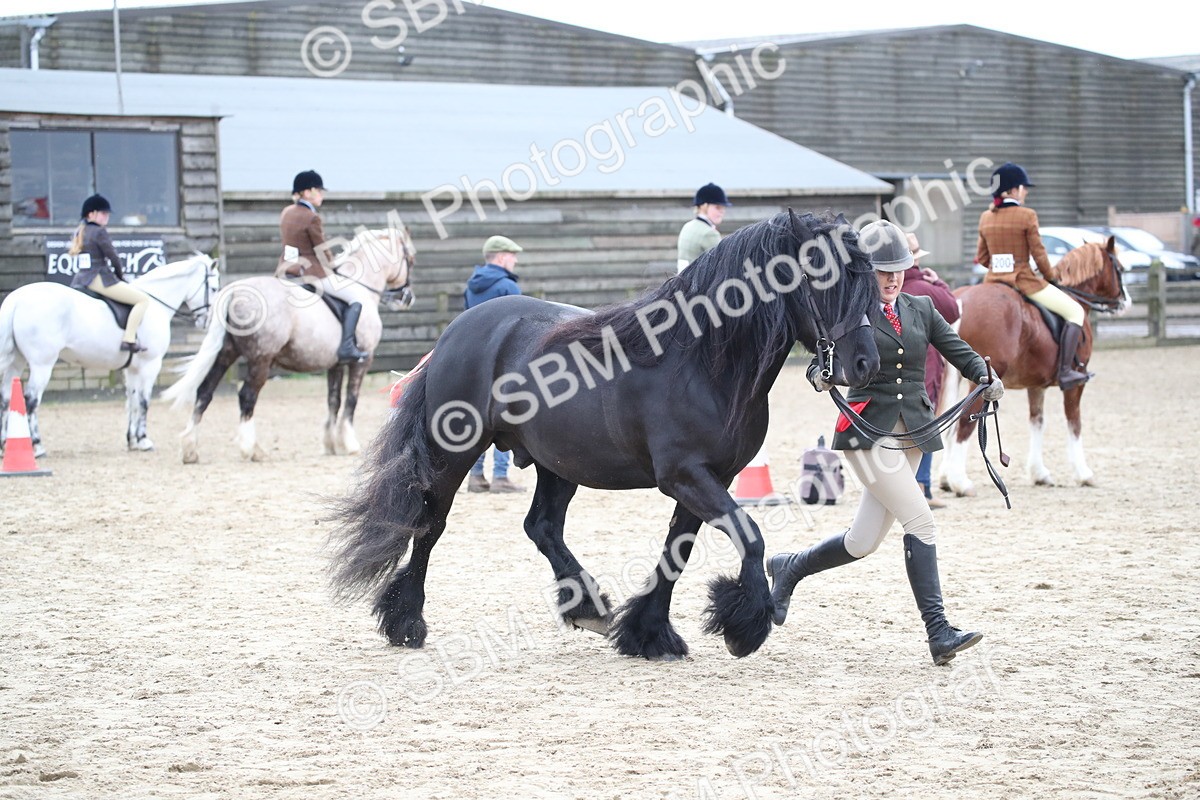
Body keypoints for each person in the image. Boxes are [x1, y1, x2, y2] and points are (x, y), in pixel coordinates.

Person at [766, 220, 1004, 666]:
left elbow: (957, 349)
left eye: (899, 269)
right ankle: (939, 632)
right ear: (865, 272)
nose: (893, 279)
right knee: (922, 522)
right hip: (867, 433)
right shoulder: (851, 313)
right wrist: (823, 374)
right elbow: (828, 365)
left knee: (863, 541)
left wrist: (986, 377)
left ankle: (790, 567)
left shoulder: (921, 308)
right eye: (883, 271)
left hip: (913, 431)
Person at [976, 162, 1092, 389]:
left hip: (993, 280)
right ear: (1012, 190)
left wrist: (1001, 266)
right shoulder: (1027, 215)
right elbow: (1039, 254)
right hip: (1025, 282)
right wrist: (1050, 276)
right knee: (1075, 311)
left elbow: (982, 257)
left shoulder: (986, 217)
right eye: (1022, 187)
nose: (1025, 191)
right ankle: (1066, 371)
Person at [276, 170, 370, 363]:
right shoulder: (312, 217)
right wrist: (333, 264)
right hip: (312, 273)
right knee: (355, 299)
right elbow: (321, 249)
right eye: (319, 190)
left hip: (287, 270)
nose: (322, 195)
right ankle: (347, 347)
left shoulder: (286, 212)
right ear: (308, 192)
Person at [463, 235, 526, 494]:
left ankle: (476, 476)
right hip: (503, 362)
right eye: (512, 256)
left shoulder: (471, 285)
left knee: (478, 418)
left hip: (473, 361)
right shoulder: (507, 288)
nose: (515, 260)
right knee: (505, 417)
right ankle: (500, 477)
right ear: (501, 257)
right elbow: (521, 327)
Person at [900, 232, 957, 510]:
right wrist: (940, 282)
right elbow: (953, 309)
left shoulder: (879, 286)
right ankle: (922, 487)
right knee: (926, 424)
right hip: (925, 367)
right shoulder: (926, 288)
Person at [68, 194, 151, 353]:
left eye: (107, 214)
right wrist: (120, 278)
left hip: (81, 278)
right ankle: (129, 339)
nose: (106, 217)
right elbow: (113, 257)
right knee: (142, 300)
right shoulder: (99, 232)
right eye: (103, 213)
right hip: (99, 278)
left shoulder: (80, 231)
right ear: (91, 214)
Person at [676, 183, 732, 272]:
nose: (722, 212)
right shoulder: (709, 233)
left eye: (723, 208)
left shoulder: (687, 226)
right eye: (717, 207)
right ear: (704, 206)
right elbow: (723, 268)